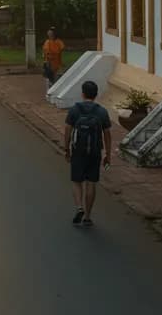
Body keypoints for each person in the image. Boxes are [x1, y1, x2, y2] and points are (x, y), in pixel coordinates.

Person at [63, 81, 112, 227]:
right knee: (91, 182)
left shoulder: (74, 110)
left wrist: (67, 149)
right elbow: (107, 134)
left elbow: (67, 130)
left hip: (78, 151)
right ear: (96, 95)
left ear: (82, 93)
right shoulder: (102, 112)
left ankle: (79, 207)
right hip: (95, 151)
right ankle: (88, 217)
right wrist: (108, 154)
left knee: (77, 181)